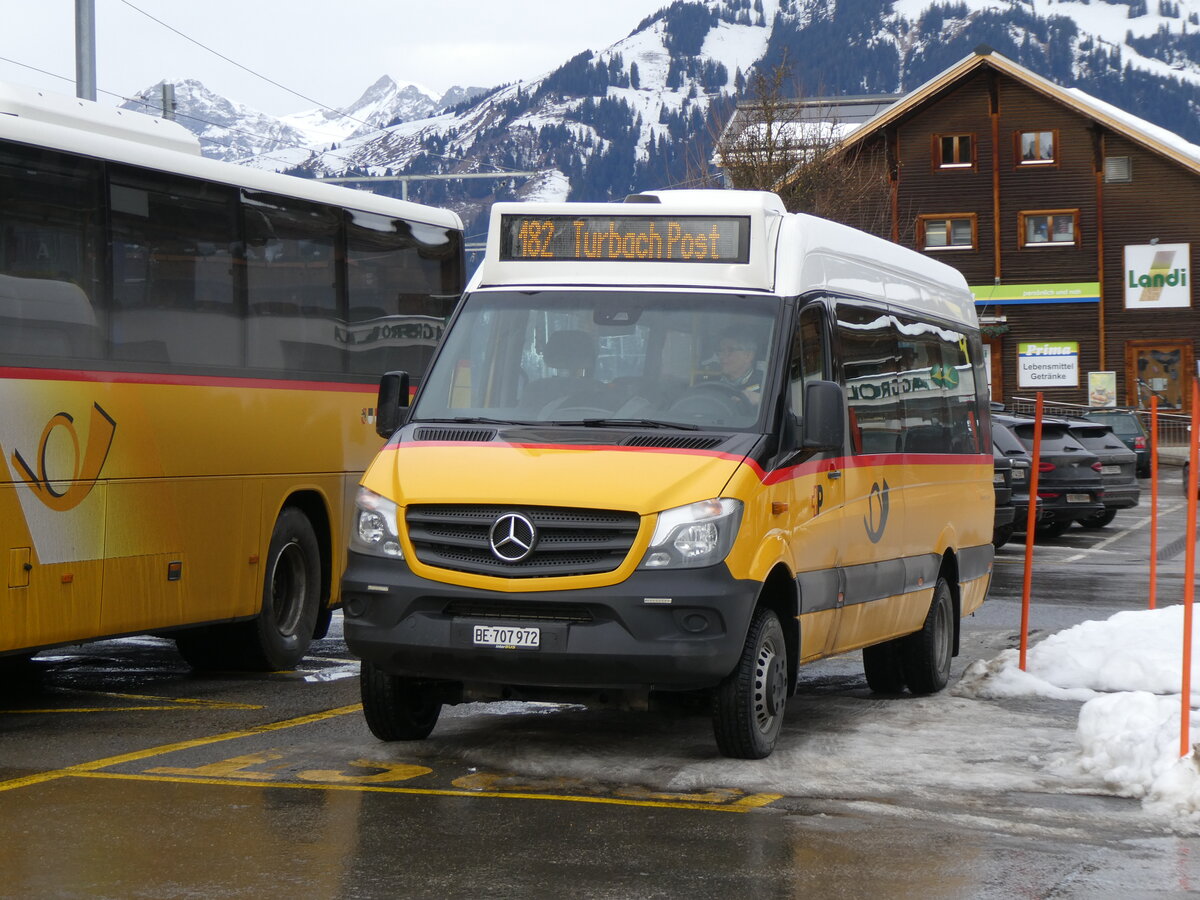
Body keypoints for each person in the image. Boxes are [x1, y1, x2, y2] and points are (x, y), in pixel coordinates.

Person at [712, 327, 764, 405]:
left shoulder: (767, 383)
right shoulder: (712, 382)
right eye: (721, 350)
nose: (722, 356)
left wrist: (761, 400)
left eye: (731, 350)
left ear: (748, 356)